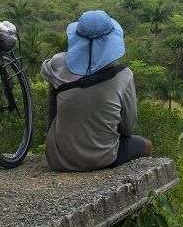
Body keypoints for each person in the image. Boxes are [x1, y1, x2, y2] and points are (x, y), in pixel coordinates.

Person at [40, 10, 153, 172]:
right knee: (146, 145)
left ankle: (53, 135)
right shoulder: (124, 75)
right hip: (103, 158)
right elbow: (128, 128)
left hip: (58, 158)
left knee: (55, 87)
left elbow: (45, 70)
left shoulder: (57, 64)